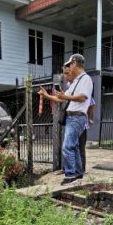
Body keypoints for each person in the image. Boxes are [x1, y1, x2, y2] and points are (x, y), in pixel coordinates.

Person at [39, 54, 93, 184]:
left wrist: (65, 97)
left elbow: (83, 97)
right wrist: (47, 96)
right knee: (73, 146)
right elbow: (61, 98)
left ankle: (70, 174)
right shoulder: (76, 82)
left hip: (77, 117)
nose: (68, 68)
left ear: (74, 63)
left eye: (69, 65)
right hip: (72, 118)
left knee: (67, 146)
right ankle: (78, 173)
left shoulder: (86, 79)